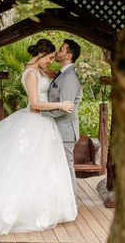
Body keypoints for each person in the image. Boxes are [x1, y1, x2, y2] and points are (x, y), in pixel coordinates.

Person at [0, 38, 78, 235]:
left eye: (54, 57)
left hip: (45, 123)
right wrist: (60, 105)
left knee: (41, 166)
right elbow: (35, 103)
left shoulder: (41, 70)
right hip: (35, 119)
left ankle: (43, 202)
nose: (50, 61)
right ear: (41, 54)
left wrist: (64, 71)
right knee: (24, 166)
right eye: (49, 57)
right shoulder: (31, 74)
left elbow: (59, 76)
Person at [40, 39, 82, 196]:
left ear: (69, 55)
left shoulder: (70, 77)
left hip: (65, 131)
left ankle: (72, 204)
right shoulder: (62, 74)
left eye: (61, 49)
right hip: (56, 129)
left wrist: (43, 114)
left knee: (66, 167)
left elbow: (66, 108)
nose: (57, 52)